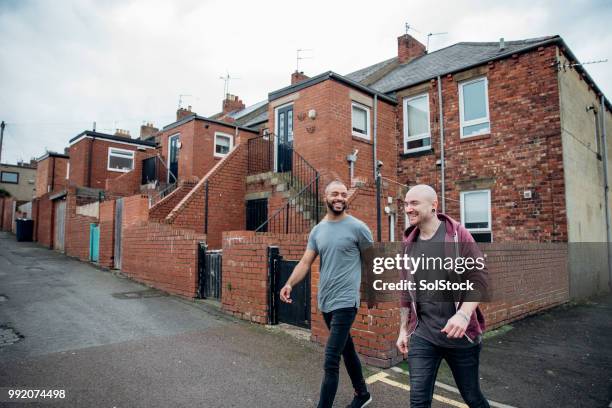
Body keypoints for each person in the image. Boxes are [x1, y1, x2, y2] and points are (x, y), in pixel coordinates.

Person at [280, 180, 373, 408]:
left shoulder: (358, 228)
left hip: (346, 301)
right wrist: (289, 283)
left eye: (343, 194)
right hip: (326, 301)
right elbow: (305, 261)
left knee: (331, 359)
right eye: (335, 194)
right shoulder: (318, 230)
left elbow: (373, 262)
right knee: (347, 349)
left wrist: (372, 292)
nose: (340, 198)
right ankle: (362, 394)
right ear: (325, 198)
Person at [396, 184, 490, 408]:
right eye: (406, 204)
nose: (408, 209)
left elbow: (479, 278)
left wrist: (464, 315)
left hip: (460, 335)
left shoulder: (458, 235)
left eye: (414, 203)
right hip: (423, 335)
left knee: (472, 397)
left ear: (434, 205)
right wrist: (402, 329)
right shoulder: (408, 245)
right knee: (418, 401)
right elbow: (404, 292)